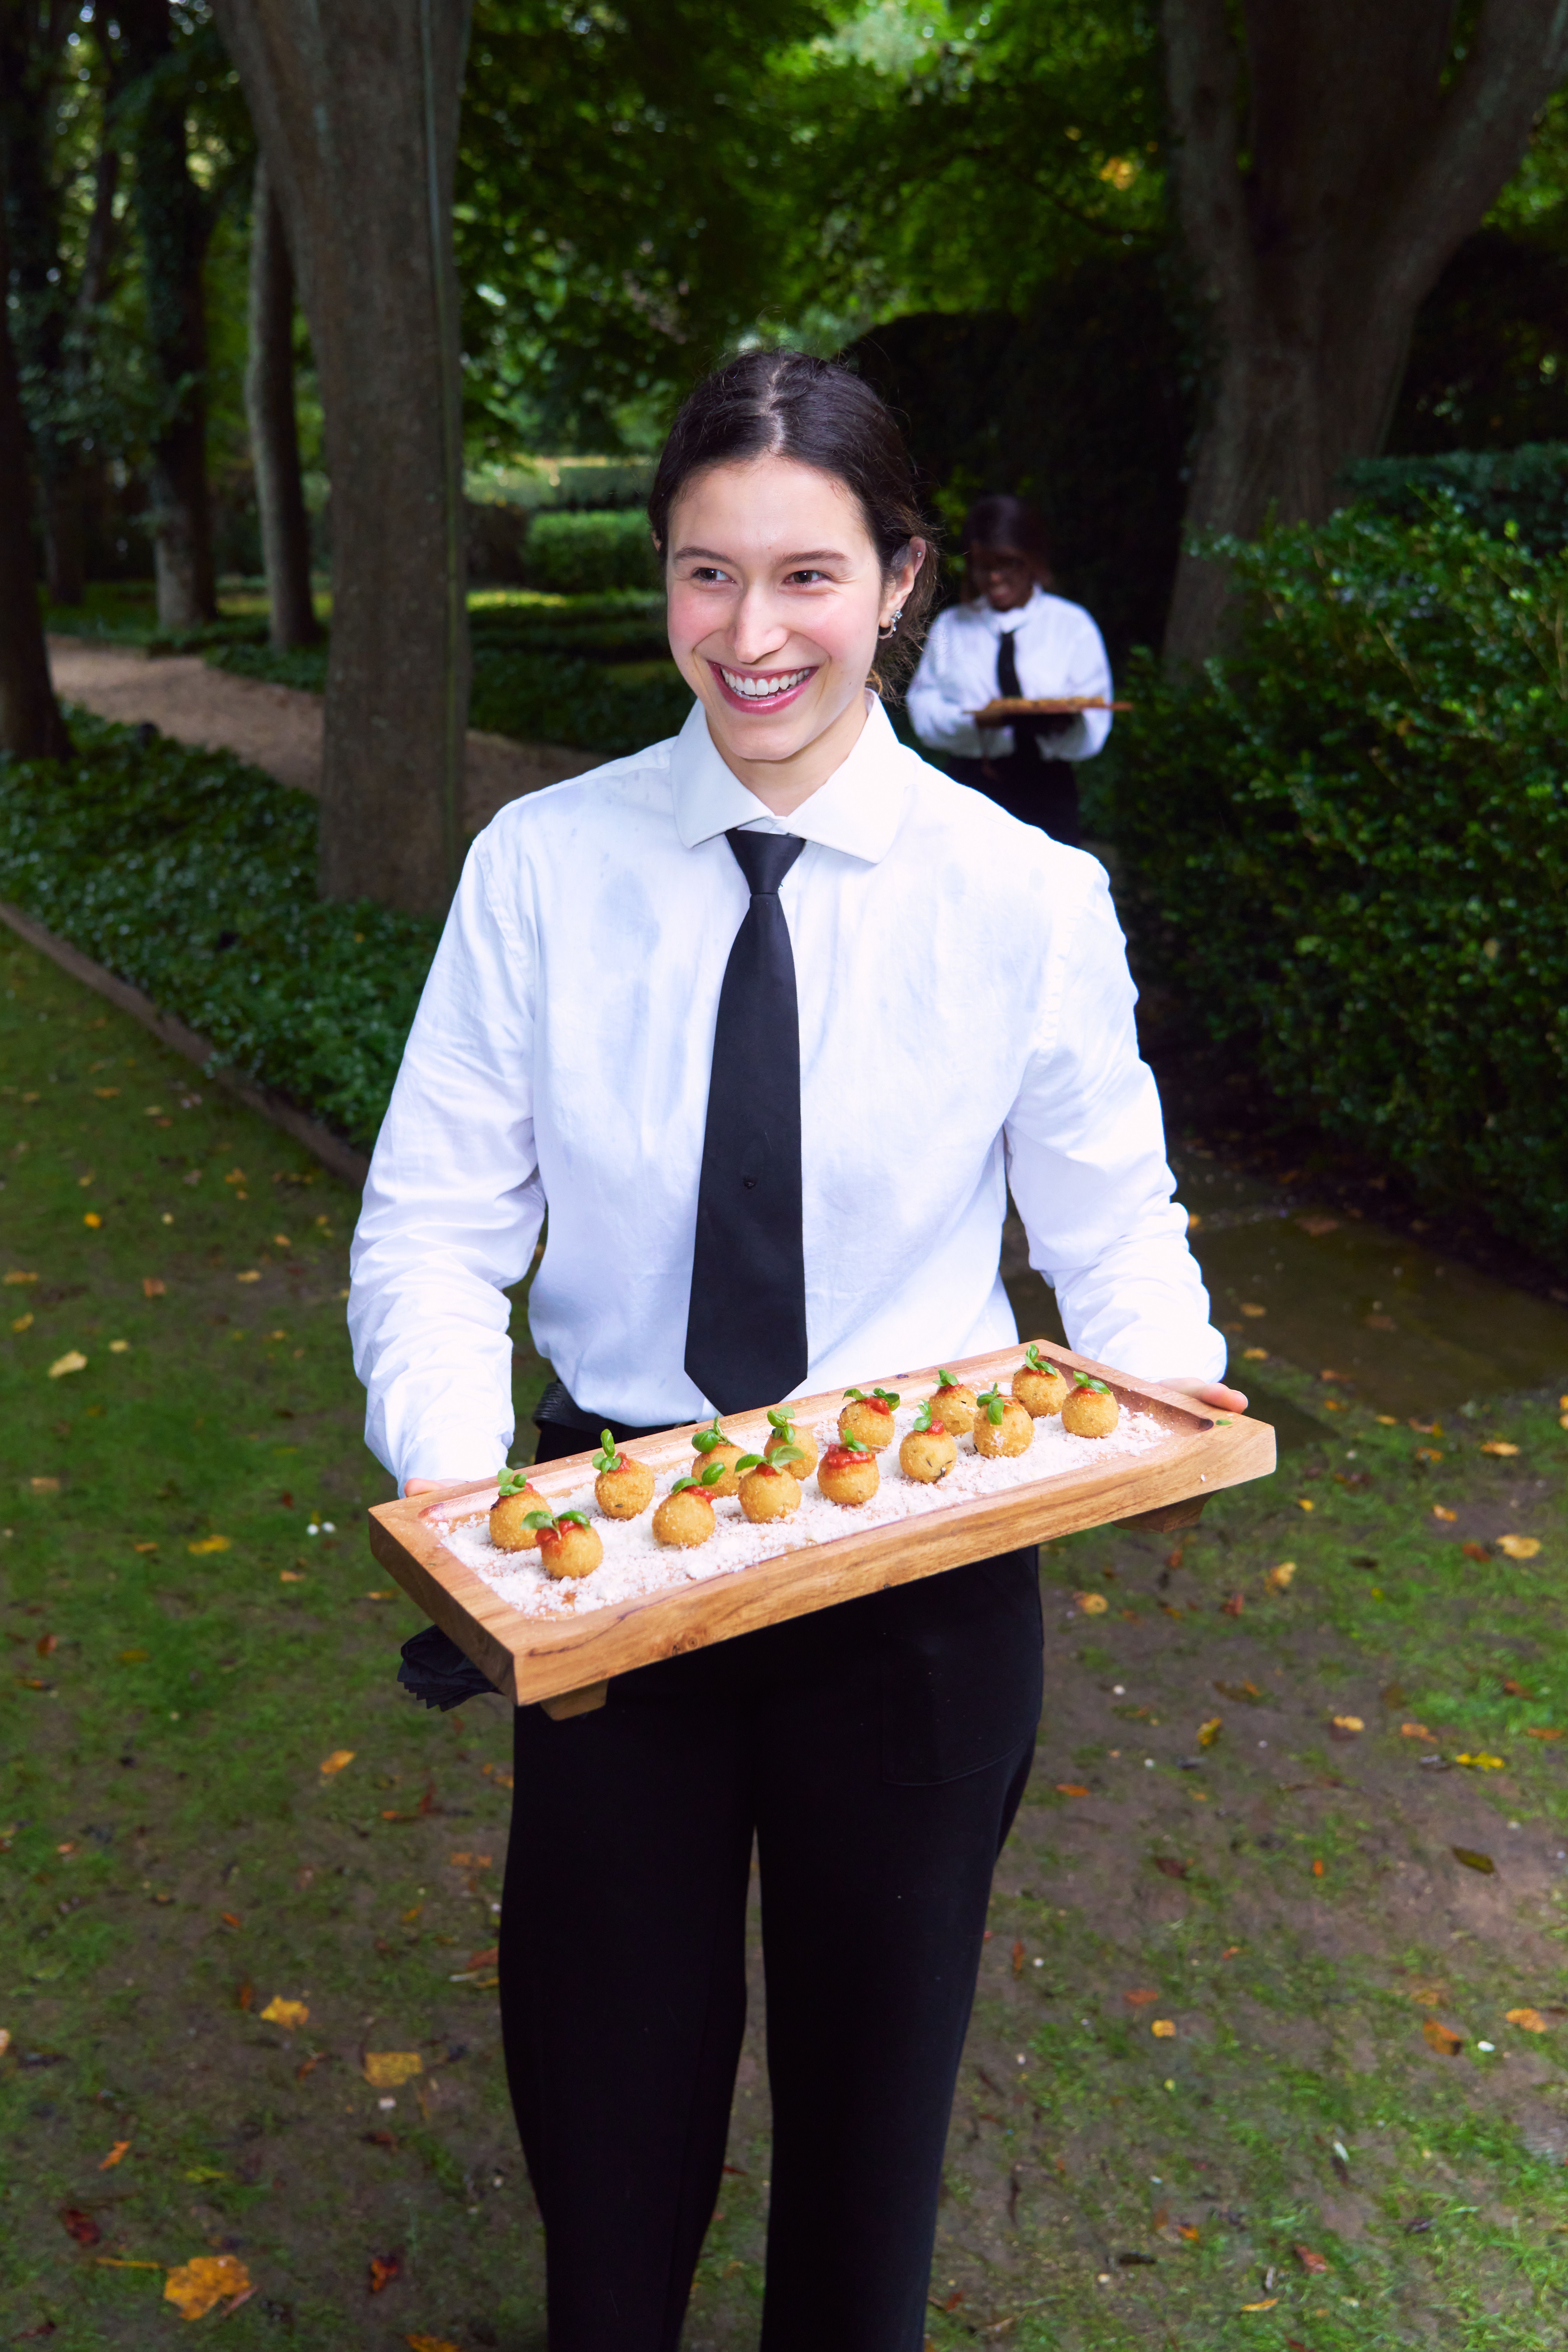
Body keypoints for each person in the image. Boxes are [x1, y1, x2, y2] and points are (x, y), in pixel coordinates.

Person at [348, 350, 1242, 2352]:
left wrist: (1168, 1384)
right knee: (608, 2113)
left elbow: (1106, 1214)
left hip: (914, 1591)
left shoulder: (1024, 895)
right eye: (704, 574)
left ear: (902, 578)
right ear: (665, 585)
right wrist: (467, 1492)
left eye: (807, 576)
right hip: (617, 1574)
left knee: (868, 2144)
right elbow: (432, 1217)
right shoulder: (541, 870)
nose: (751, 635)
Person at [906, 492, 1111, 846]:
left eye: (1007, 564)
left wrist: (1059, 723)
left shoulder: (1071, 625)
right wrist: (975, 722)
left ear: (1032, 561)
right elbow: (924, 708)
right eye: (983, 567)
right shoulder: (951, 627)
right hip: (969, 789)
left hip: (1047, 790)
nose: (995, 578)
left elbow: (1095, 719)